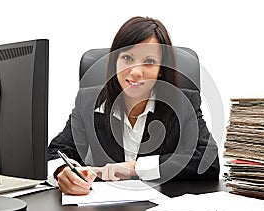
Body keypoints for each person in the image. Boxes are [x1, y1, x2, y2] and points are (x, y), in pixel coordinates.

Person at [46, 16, 220, 195]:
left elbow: (209, 160)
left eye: (150, 62)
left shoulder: (183, 103)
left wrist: (134, 168)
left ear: (161, 69)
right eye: (127, 58)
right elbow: (55, 152)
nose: (136, 72)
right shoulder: (89, 102)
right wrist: (62, 171)